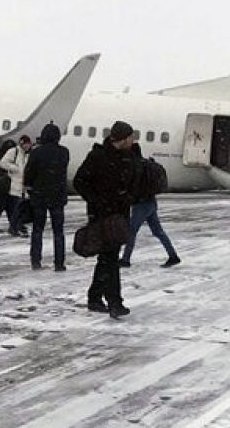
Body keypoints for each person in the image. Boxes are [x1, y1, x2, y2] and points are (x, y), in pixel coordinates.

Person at [74, 121, 137, 319]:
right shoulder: (98, 157)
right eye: (130, 137)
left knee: (107, 258)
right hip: (102, 216)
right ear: (123, 138)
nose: (133, 141)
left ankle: (94, 297)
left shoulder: (128, 157)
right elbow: (79, 181)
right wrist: (97, 201)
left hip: (118, 216)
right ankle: (115, 302)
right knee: (110, 259)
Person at [120, 143, 181, 268]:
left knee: (131, 231)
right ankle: (173, 255)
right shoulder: (147, 164)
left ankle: (125, 260)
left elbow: (133, 187)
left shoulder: (135, 166)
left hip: (140, 205)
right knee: (158, 232)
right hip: (151, 202)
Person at [23, 124, 70, 271]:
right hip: (57, 195)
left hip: (39, 195)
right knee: (58, 232)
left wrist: (30, 187)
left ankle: (36, 260)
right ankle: (59, 262)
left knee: (38, 230)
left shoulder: (37, 153)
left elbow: (29, 172)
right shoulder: (64, 152)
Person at [0, 135, 33, 237]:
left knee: (22, 209)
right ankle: (14, 228)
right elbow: (3, 163)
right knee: (17, 209)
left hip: (24, 187)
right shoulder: (14, 152)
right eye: (26, 145)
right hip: (15, 185)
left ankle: (18, 226)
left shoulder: (29, 154)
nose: (28, 147)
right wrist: (15, 168)